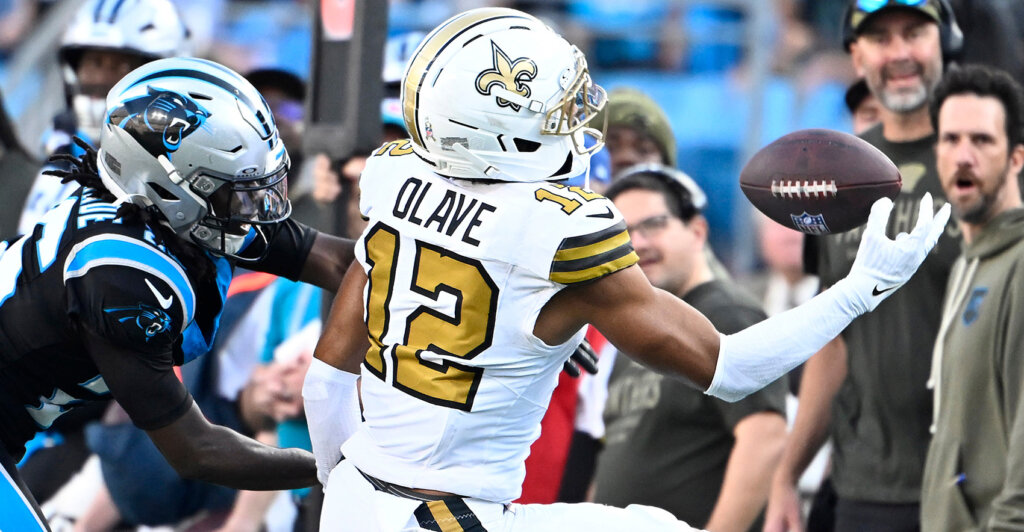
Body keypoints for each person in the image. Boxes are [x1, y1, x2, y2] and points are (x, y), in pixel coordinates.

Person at [302, 7, 948, 531]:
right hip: (446, 513)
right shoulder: (556, 230)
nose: (575, 125)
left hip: (359, 495)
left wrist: (344, 488)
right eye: (556, 115)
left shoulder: (396, 177)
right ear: (500, 133)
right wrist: (860, 289)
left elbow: (325, 381)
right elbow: (728, 369)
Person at [0, 56, 354, 530]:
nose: (254, 208)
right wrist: (342, 465)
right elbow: (198, 451)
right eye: (238, 191)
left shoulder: (169, 208)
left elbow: (341, 263)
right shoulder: (119, 279)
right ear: (170, 186)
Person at [765, 2, 963, 531]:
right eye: (880, 38)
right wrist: (787, 473)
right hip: (868, 483)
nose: (899, 53)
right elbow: (833, 340)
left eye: (914, 33)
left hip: (977, 482)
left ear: (945, 40)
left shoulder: (990, 155)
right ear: (856, 56)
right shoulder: (835, 176)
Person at [592, 164, 787, 531]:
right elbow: (616, 455)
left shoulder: (727, 314)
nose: (639, 243)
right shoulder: (635, 331)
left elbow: (764, 436)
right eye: (623, 233)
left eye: (654, 225)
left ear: (697, 231)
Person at [920, 64, 1024, 531]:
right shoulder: (967, 263)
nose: (964, 156)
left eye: (982, 140)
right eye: (951, 139)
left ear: (1016, 157)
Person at [18, 0, 191, 235]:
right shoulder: (59, 148)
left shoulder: (184, 168)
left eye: (121, 66)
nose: (100, 80)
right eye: (94, 63)